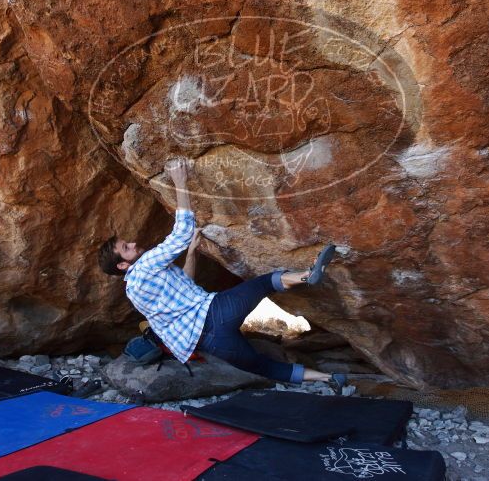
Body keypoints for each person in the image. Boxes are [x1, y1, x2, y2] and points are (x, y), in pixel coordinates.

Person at [98, 158, 346, 391]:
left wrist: (193, 253)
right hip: (217, 312)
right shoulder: (145, 265)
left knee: (263, 367)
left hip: (213, 343)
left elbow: (184, 285)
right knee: (262, 283)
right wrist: (180, 182)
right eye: (126, 248)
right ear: (122, 265)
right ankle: (307, 274)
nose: (132, 244)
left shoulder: (133, 291)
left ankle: (328, 380)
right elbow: (182, 232)